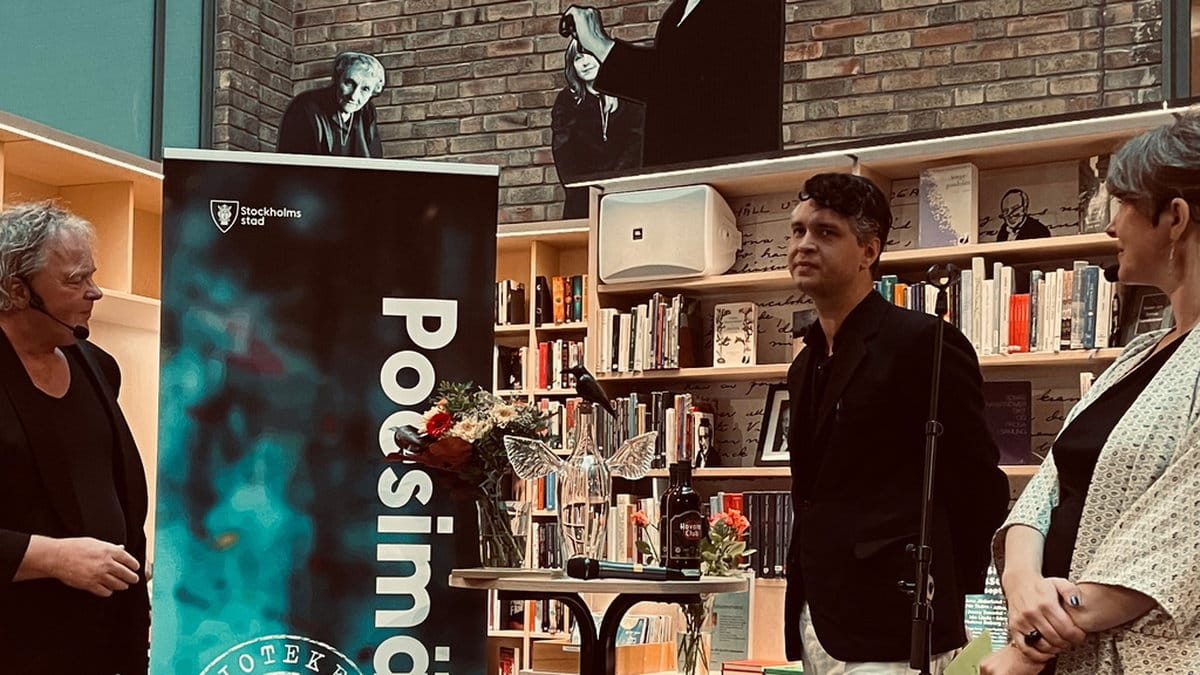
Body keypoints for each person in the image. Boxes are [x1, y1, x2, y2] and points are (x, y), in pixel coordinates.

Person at [982, 113, 1200, 674]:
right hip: (1059, 653)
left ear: (1175, 218)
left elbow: (1179, 545)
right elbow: (1045, 487)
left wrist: (1030, 642)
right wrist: (1020, 582)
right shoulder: (1135, 355)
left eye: (1122, 204)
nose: (1109, 227)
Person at [782, 173, 1010, 674]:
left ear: (869, 251)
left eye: (826, 232)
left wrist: (948, 593)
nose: (804, 244)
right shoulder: (803, 366)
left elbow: (977, 481)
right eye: (798, 231)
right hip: (816, 616)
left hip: (897, 619)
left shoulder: (924, 344)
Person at [0, 202, 150, 673]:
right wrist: (52, 557)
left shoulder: (99, 366)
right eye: (74, 280)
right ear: (17, 291)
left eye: (93, 276)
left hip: (101, 644)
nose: (95, 292)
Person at [561, 0, 781, 168]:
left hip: (726, 184)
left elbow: (684, 83)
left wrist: (601, 45)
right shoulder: (677, 13)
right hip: (681, 188)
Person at [551, 38, 643, 219]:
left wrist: (614, 185)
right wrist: (585, 190)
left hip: (624, 194)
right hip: (582, 199)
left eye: (590, 55)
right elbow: (563, 152)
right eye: (578, 58)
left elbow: (636, 144)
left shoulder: (629, 98)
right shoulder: (568, 100)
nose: (585, 63)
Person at [277, 51, 385, 158]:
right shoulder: (305, 106)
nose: (354, 96)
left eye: (365, 89)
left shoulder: (366, 112)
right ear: (338, 79)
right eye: (349, 83)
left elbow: (374, 162)